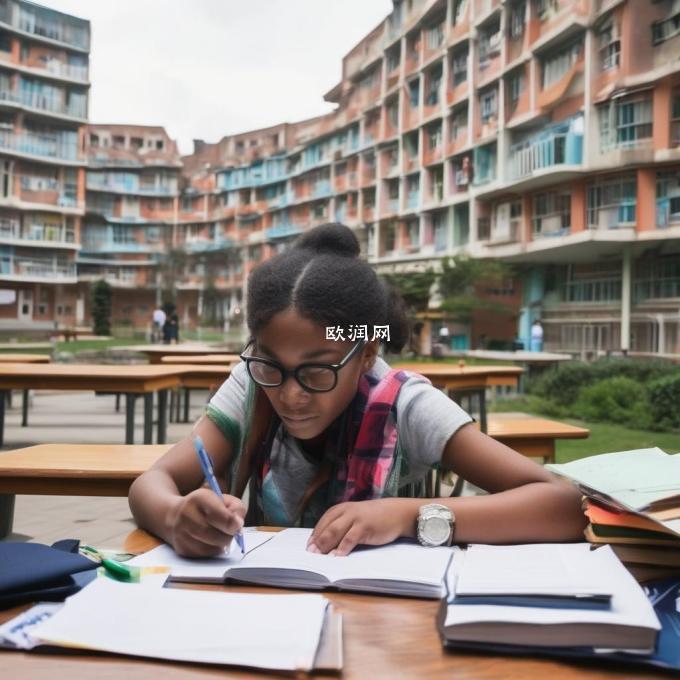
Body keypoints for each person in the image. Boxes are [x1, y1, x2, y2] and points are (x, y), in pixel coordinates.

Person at [129, 223, 584, 558]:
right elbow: (151, 484)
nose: (289, 395)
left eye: (317, 372)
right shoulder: (251, 380)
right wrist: (176, 516)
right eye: (274, 367)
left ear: (365, 354)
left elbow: (562, 504)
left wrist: (408, 515)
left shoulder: (404, 402)